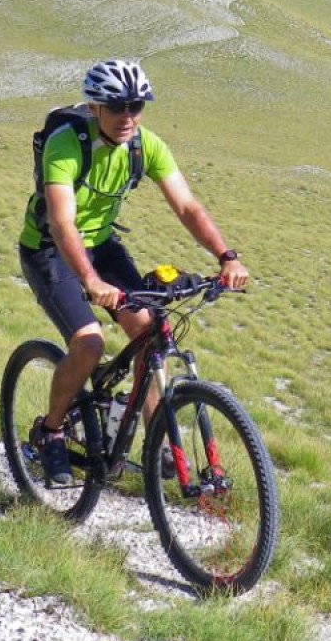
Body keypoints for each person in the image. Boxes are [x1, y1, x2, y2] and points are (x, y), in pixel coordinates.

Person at [18, 58, 248, 486]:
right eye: (118, 106)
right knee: (88, 344)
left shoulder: (146, 146)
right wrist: (91, 282)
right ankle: (49, 433)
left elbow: (187, 206)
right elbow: (62, 222)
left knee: (147, 334)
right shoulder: (67, 144)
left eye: (136, 106)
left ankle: (154, 440)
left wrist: (226, 256)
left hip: (101, 246)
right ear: (96, 106)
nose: (128, 116)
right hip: (49, 249)